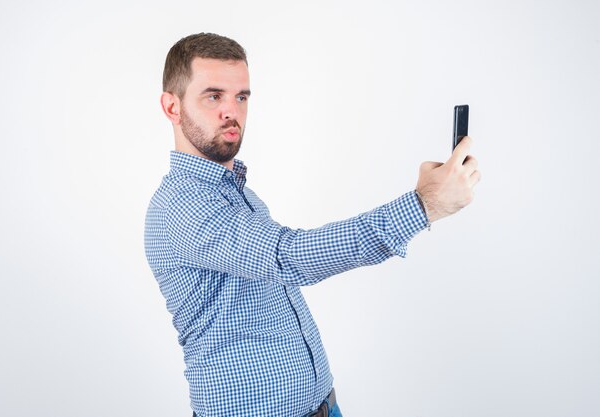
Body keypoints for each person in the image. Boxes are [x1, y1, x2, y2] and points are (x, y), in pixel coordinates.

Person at [144, 32, 480, 417]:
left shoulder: (242, 197)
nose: (231, 111)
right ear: (172, 107)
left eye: (241, 97)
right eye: (213, 95)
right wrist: (423, 205)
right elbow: (290, 256)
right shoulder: (182, 206)